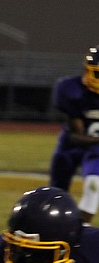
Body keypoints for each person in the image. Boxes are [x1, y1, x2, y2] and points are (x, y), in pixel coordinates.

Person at [48, 45, 99, 223]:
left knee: (94, 187)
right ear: (88, 70)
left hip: (96, 151)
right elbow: (76, 136)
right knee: (56, 194)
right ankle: (52, 228)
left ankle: (80, 233)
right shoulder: (71, 90)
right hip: (71, 147)